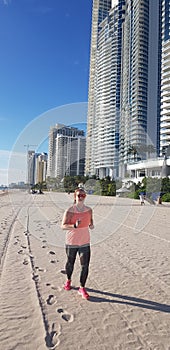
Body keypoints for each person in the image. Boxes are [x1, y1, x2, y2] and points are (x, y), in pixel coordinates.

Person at [61, 188, 94, 299]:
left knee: (85, 266)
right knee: (70, 263)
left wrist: (91, 225)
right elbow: (63, 226)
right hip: (72, 241)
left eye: (83, 195)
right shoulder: (70, 210)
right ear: (75, 197)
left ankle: (82, 288)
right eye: (79, 195)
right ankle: (68, 280)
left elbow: (91, 222)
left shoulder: (89, 210)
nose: (81, 197)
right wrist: (74, 225)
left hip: (85, 241)